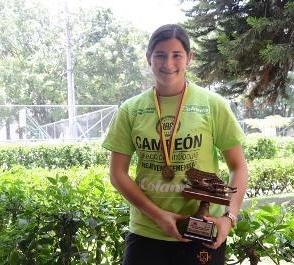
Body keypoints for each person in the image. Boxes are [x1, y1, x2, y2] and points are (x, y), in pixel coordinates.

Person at [102, 24, 248, 265]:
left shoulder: (213, 105)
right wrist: (158, 216)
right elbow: (118, 174)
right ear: (149, 57)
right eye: (160, 54)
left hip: (202, 233)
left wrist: (229, 218)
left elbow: (238, 167)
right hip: (146, 232)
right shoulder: (131, 110)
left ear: (189, 58)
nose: (168, 63)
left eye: (176, 55)